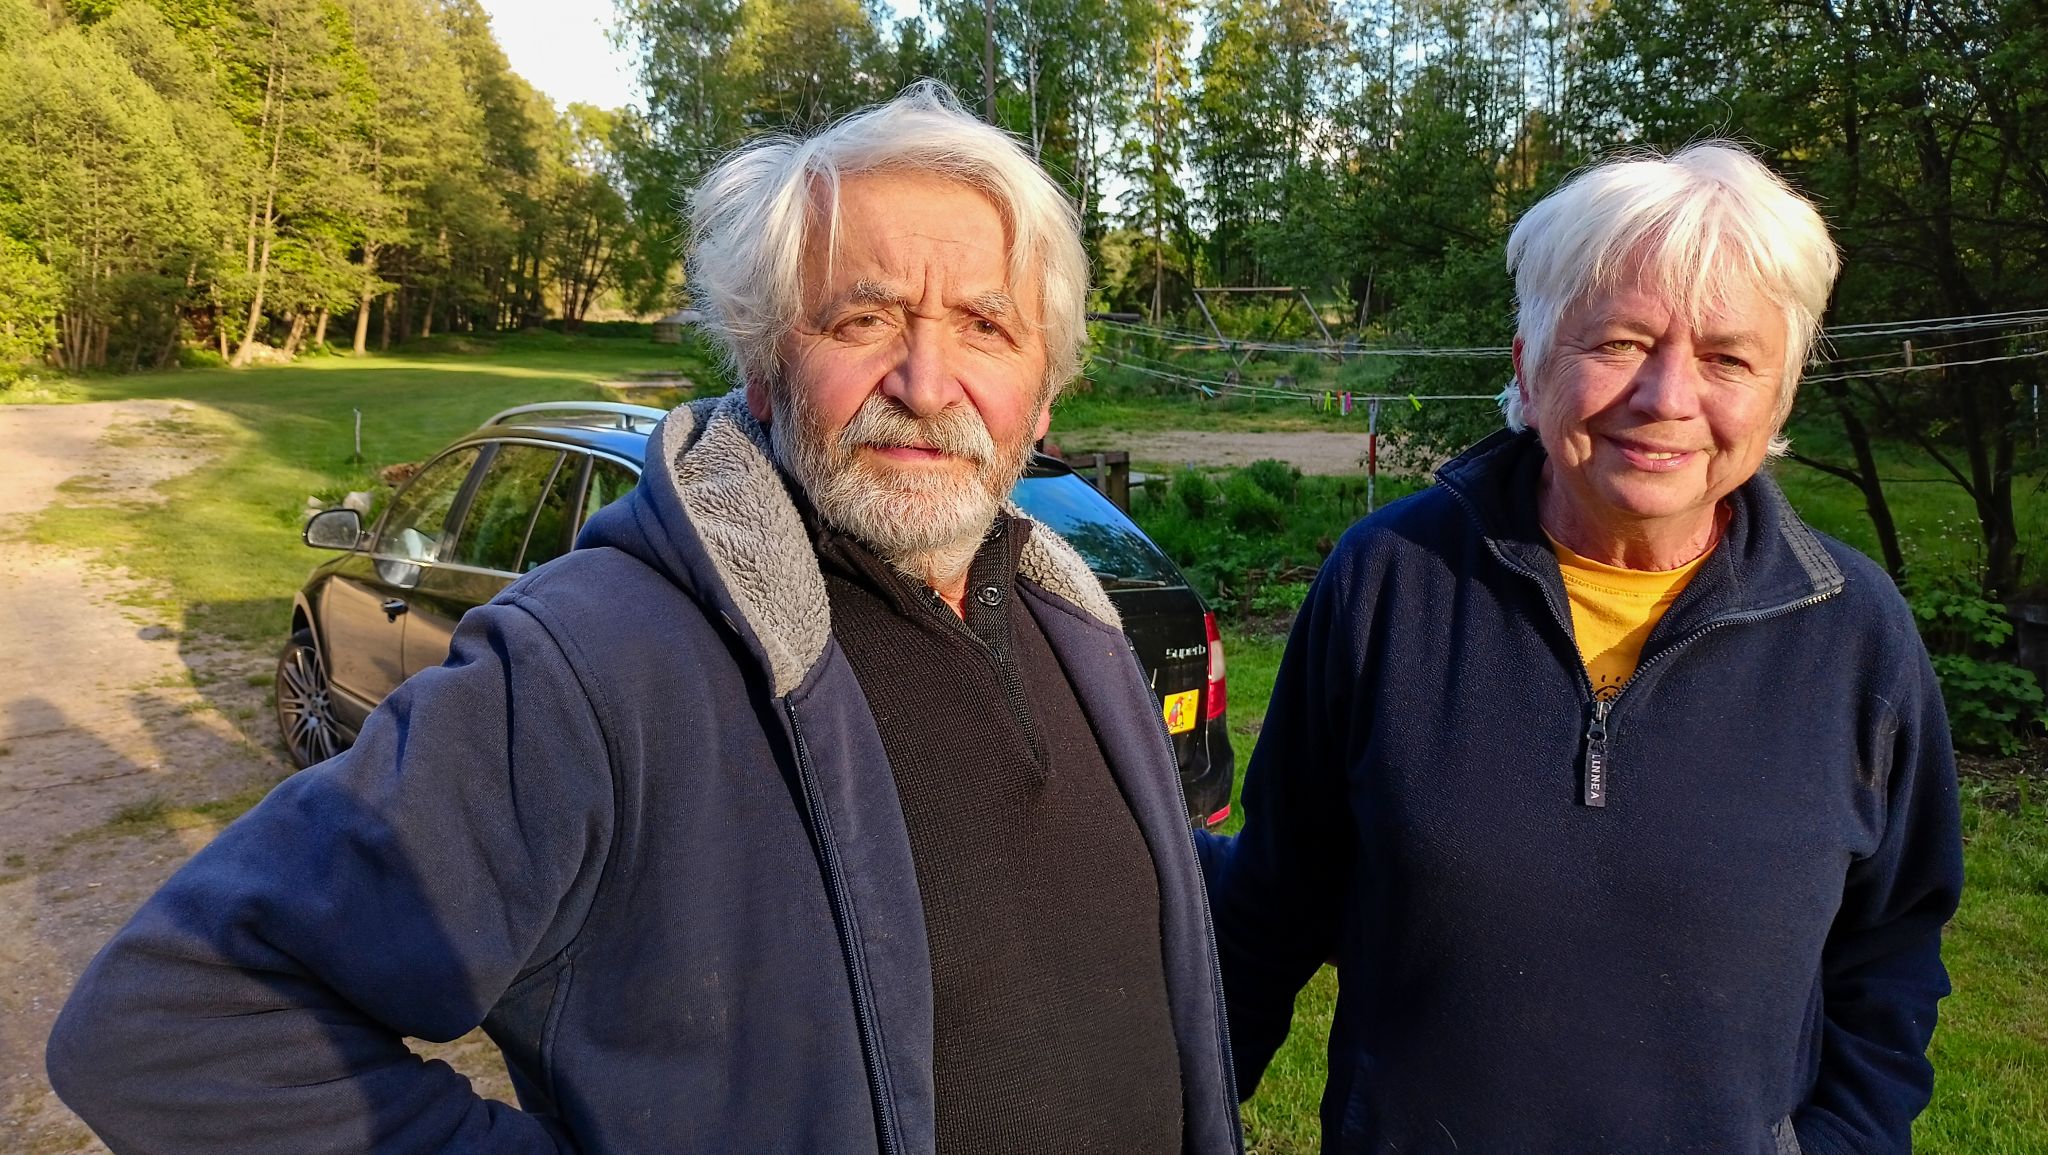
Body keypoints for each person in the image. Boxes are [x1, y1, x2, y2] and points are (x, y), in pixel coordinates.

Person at [47, 83, 1241, 1155]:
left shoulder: (1064, 619)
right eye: (862, 319)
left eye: (984, 326)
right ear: (762, 367)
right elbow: (173, 1021)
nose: (926, 384)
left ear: (1043, 393)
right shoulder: (594, 661)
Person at [1200, 142, 1963, 1155]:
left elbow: (1891, 952)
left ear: (1778, 398)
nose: (1667, 396)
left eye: (1727, 359)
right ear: (1528, 361)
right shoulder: (1389, 581)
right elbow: (1269, 907)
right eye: (1619, 341)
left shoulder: (1854, 634)